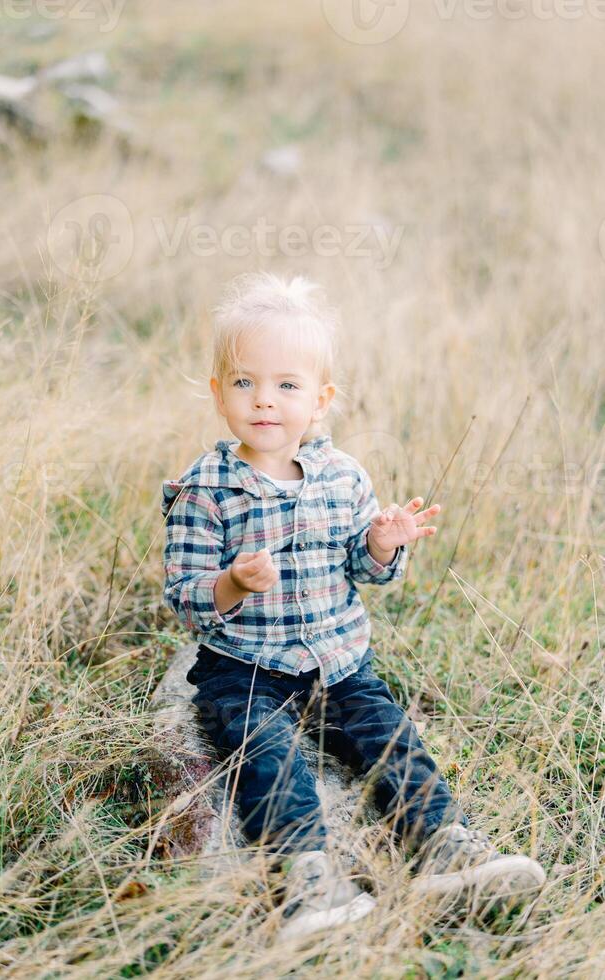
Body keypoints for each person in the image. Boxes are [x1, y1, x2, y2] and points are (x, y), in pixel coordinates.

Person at [161, 271, 545, 940]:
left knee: (387, 735)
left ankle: (445, 847)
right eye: (245, 382)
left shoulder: (344, 477)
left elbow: (363, 571)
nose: (265, 401)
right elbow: (186, 597)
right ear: (219, 392)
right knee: (266, 753)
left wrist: (382, 544)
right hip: (243, 668)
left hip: (339, 662)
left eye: (287, 385)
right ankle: (311, 884)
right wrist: (231, 586)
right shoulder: (205, 488)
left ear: (321, 400)